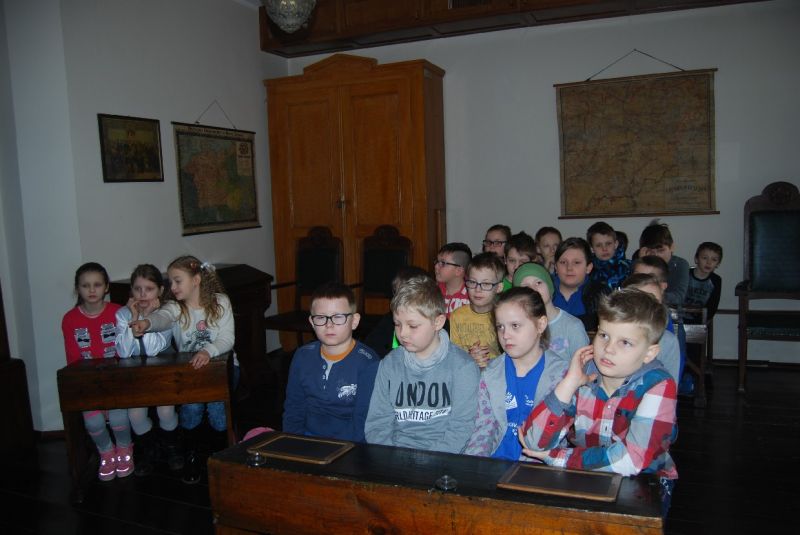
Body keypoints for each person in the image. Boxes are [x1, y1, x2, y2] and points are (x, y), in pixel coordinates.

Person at [519, 289, 678, 516]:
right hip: (587, 474)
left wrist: (559, 458)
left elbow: (632, 460)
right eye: (604, 335)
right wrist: (570, 383)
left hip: (646, 481)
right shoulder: (584, 374)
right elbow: (534, 441)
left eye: (625, 342)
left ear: (649, 353)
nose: (608, 349)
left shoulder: (659, 385)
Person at [131, 255, 235, 484]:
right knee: (191, 409)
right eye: (170, 282)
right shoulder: (176, 307)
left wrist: (208, 351)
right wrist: (146, 323)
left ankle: (220, 456)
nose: (173, 287)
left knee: (218, 413)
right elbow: (162, 317)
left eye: (178, 281)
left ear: (196, 280)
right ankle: (192, 455)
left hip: (220, 369)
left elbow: (227, 338)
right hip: (192, 371)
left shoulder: (220, 302)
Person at [364, 274, 480, 454]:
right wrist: (390, 458)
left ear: (438, 322)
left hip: (443, 457)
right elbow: (378, 423)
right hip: (394, 455)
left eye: (413, 326)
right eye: (397, 324)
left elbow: (460, 429)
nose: (402, 333)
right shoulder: (389, 364)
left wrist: (425, 462)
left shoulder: (463, 367)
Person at [464, 287, 568, 460]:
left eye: (515, 326)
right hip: (495, 462)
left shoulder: (561, 375)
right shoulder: (491, 373)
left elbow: (551, 439)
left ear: (540, 325)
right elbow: (483, 429)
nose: (505, 335)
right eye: (500, 327)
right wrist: (475, 465)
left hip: (539, 464)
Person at [283, 282, 379, 442]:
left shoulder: (368, 362)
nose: (329, 325)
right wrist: (293, 442)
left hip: (351, 443)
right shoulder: (302, 356)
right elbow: (294, 408)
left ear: (354, 321)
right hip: (308, 440)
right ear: (312, 322)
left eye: (338, 317)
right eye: (321, 317)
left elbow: (364, 419)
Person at [61, 262, 130, 481]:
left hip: (115, 380)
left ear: (106, 287)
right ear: (77, 288)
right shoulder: (70, 319)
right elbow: (73, 358)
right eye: (85, 286)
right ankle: (106, 452)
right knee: (93, 422)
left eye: (97, 285)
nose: (92, 290)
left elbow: (125, 351)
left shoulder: (118, 312)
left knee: (119, 417)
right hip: (88, 382)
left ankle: (125, 450)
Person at [115, 264, 182, 476]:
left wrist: (149, 316)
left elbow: (154, 349)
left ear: (160, 290)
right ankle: (150, 449)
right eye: (137, 289)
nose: (143, 294)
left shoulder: (166, 313)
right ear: (131, 291)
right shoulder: (123, 314)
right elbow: (123, 352)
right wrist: (135, 317)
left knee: (165, 411)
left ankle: (171, 447)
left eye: (149, 289)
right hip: (135, 373)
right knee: (135, 415)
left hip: (163, 369)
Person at [513, 262, 589, 361]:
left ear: (550, 287)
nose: (533, 290)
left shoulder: (573, 327)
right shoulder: (516, 327)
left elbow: (584, 365)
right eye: (525, 287)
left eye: (538, 283)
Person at [631, 257, 687, 382]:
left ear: (662, 287)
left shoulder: (667, 337)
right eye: (637, 277)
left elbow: (671, 378)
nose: (641, 284)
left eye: (649, 279)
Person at [620, 273, 681, 381]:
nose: (652, 309)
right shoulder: (611, 333)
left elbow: (670, 384)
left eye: (657, 304)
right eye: (644, 302)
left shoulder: (666, 341)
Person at [451, 253, 506, 367]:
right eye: (472, 282)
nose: (477, 289)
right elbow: (453, 354)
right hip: (465, 368)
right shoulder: (457, 315)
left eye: (486, 284)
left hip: (497, 370)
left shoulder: (503, 316)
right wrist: (470, 357)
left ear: (499, 287)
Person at [364, 265, 432, 356]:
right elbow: (370, 349)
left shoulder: (432, 321)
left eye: (405, 295)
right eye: (396, 293)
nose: (398, 299)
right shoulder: (389, 319)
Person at [552, 237, 609, 332]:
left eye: (576, 262)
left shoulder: (601, 295)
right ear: (556, 267)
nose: (569, 268)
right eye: (563, 262)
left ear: (588, 268)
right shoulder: (543, 292)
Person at [638, 219, 689, 311]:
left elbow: (679, 297)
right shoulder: (639, 264)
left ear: (672, 247)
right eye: (650, 251)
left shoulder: (680, 264)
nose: (656, 255)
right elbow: (634, 291)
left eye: (661, 250)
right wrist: (643, 263)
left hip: (672, 313)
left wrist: (650, 294)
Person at [684, 241, 723, 324]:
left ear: (718, 264)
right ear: (696, 259)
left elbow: (713, 306)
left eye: (714, 260)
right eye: (705, 258)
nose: (709, 262)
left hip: (700, 321)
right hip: (679, 318)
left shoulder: (716, 280)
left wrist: (701, 322)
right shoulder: (685, 274)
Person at [587, 221, 630, 290]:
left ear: (616, 244)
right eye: (598, 245)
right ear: (592, 249)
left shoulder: (629, 268)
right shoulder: (588, 271)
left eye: (608, 244)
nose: (604, 249)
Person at [434, 242, 472, 317]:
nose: (436, 266)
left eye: (443, 263)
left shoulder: (472, 294)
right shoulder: (434, 291)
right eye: (437, 261)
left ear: (458, 271)